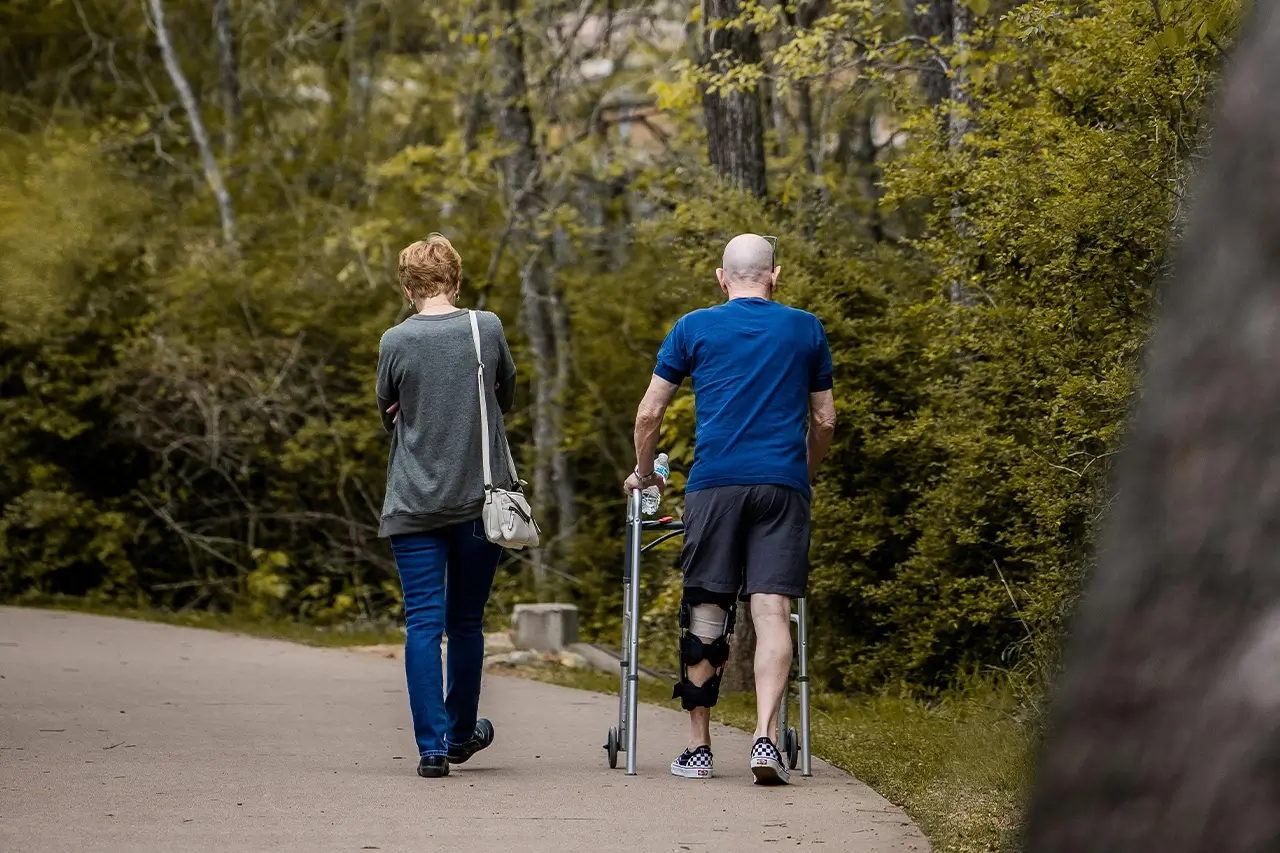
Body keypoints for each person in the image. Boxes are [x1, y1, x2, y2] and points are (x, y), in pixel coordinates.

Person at [622, 233, 837, 785]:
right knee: (771, 614)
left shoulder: (693, 327)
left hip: (715, 486)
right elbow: (826, 421)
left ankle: (699, 749)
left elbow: (649, 415)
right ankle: (765, 739)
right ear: (776, 275)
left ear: (722, 278)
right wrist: (801, 477)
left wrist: (645, 474)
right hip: (781, 487)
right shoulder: (805, 327)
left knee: (707, 613)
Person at [376, 234, 518, 778]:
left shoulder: (395, 340)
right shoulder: (487, 328)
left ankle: (432, 747)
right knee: (465, 623)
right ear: (456, 281)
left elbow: (387, 409)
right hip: (479, 501)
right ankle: (461, 733)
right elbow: (505, 396)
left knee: (422, 624)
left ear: (408, 287)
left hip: (412, 502)